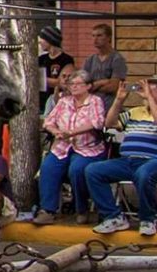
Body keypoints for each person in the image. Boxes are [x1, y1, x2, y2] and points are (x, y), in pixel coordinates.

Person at [86, 74, 157, 236]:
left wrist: (151, 100)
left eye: (153, 88)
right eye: (147, 87)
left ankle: (148, 219)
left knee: (144, 173)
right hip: (130, 161)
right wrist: (119, 100)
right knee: (93, 170)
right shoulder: (135, 112)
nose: (147, 90)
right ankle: (114, 217)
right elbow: (110, 123)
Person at [31, 69, 107, 223]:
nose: (74, 86)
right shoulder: (64, 101)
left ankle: (81, 209)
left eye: (78, 83)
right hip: (63, 146)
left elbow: (97, 123)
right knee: (48, 167)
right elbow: (48, 122)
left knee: (77, 169)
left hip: (87, 147)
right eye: (72, 83)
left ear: (88, 86)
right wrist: (56, 132)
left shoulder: (95, 101)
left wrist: (71, 132)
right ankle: (47, 210)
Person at [81, 23, 127, 106]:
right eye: (93, 36)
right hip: (91, 106)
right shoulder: (89, 60)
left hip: (110, 106)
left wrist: (92, 86)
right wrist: (103, 82)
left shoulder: (117, 59)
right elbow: (82, 86)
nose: (95, 39)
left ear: (108, 38)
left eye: (99, 36)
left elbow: (113, 87)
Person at [37, 26, 73, 116]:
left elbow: (61, 83)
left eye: (42, 38)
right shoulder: (41, 59)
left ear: (50, 40)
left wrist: (40, 79)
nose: (39, 41)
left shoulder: (66, 60)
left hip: (56, 103)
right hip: (39, 102)